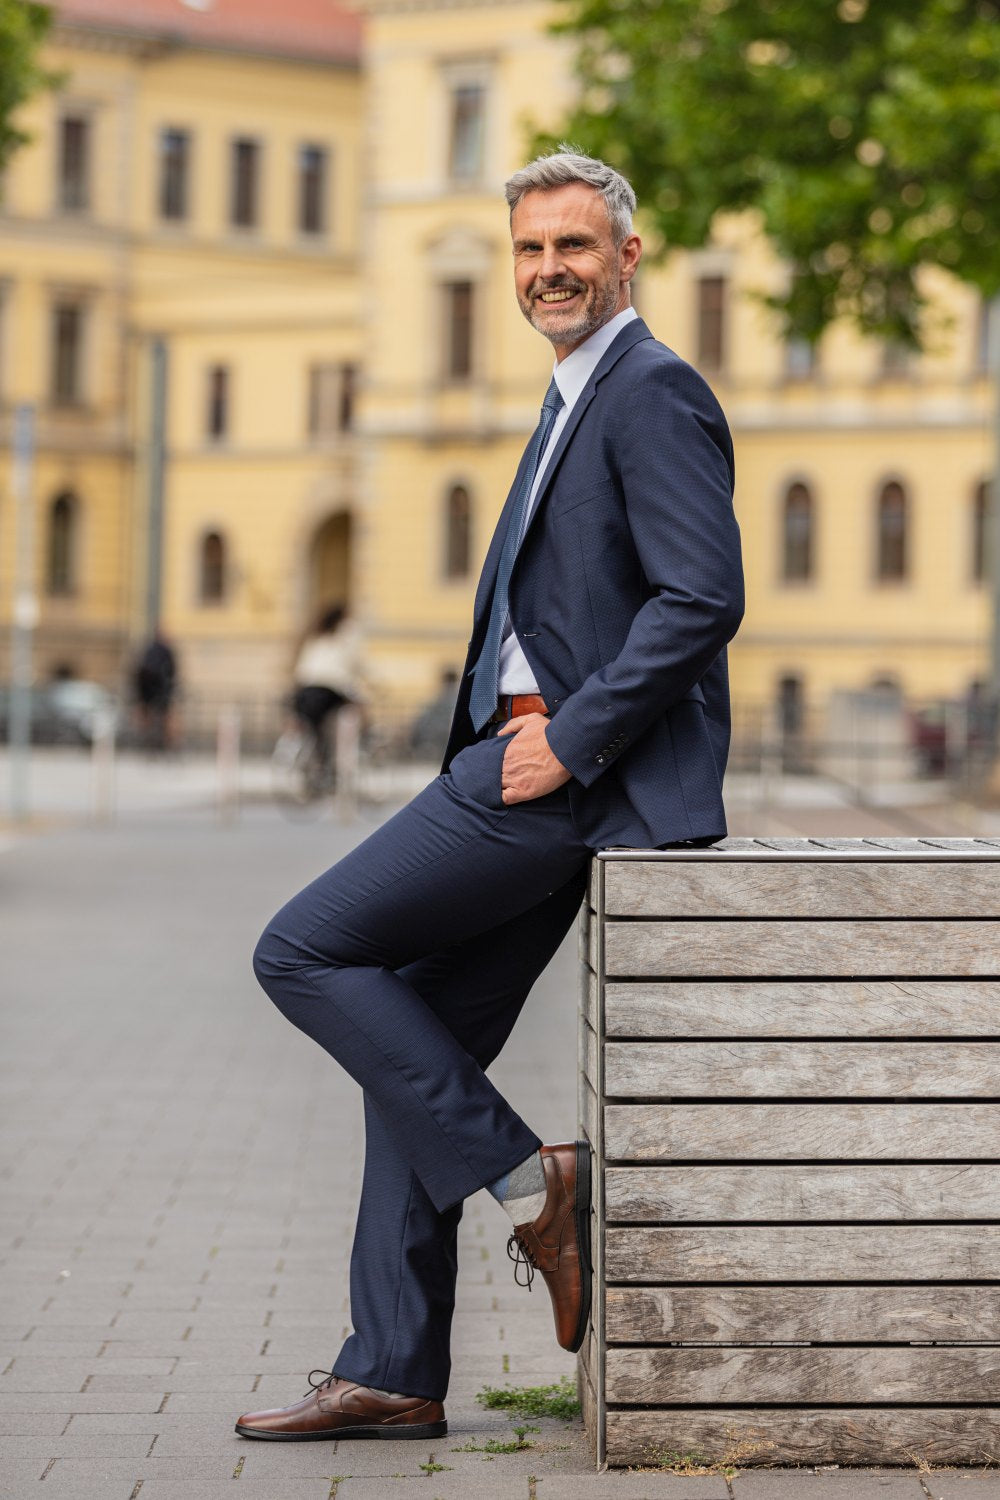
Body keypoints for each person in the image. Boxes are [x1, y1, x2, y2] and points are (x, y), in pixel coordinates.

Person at [236, 150, 743, 1443]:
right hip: (534, 766)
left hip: (554, 779)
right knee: (417, 1046)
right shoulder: (577, 395)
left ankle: (533, 1179)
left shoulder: (651, 390)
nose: (547, 271)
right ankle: (395, 1369)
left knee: (300, 949)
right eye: (528, 250)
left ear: (630, 256)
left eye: (573, 246)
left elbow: (702, 597)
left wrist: (570, 741)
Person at [290, 604, 366, 774]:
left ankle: (319, 765)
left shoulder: (316, 635)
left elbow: (302, 668)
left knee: (317, 730)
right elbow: (356, 663)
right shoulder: (347, 631)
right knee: (357, 708)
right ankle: (340, 756)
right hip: (329, 688)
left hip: (304, 690)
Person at [132, 629, 177, 752]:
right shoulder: (166, 652)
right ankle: (169, 743)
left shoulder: (148, 650)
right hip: (160, 689)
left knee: (147, 714)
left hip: (147, 690)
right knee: (166, 716)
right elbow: (172, 671)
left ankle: (145, 739)